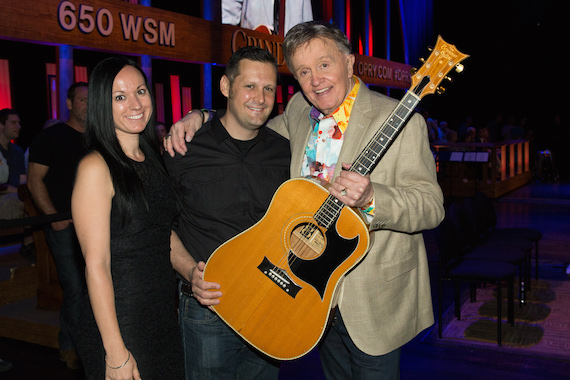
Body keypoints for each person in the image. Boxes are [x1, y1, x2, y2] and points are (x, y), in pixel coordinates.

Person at [167, 21, 444, 379]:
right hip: (308, 299)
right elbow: (248, 123)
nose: (316, 80)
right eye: (303, 72)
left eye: (324, 65)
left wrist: (375, 197)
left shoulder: (401, 121)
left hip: (374, 301)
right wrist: (201, 116)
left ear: (348, 63)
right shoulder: (299, 111)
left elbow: (431, 206)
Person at [164, 46, 290, 379]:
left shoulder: (284, 151)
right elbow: (158, 226)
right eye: (249, 86)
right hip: (208, 307)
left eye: (268, 88)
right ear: (226, 87)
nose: (260, 98)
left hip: (269, 303)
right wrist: (191, 272)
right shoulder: (183, 148)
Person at [71, 57, 184, 379]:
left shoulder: (152, 160)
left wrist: (192, 270)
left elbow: (161, 232)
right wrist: (115, 351)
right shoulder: (95, 167)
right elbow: (96, 265)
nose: (134, 103)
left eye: (141, 91)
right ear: (101, 107)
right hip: (120, 321)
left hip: (161, 312)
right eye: (119, 97)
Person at [27, 83, 89, 369]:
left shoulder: (100, 137)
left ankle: (92, 344)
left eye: (91, 100)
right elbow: (34, 180)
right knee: (75, 287)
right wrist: (54, 216)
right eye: (81, 99)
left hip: (96, 226)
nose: (87, 104)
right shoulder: (51, 137)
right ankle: (69, 346)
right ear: (68, 103)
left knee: (97, 286)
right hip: (64, 226)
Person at [0, 109, 26, 220]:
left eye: (19, 123)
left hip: (16, 195)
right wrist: (20, 192)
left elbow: (22, 179)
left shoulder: (18, 151)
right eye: (13, 123)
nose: (18, 126)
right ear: (1, 125)